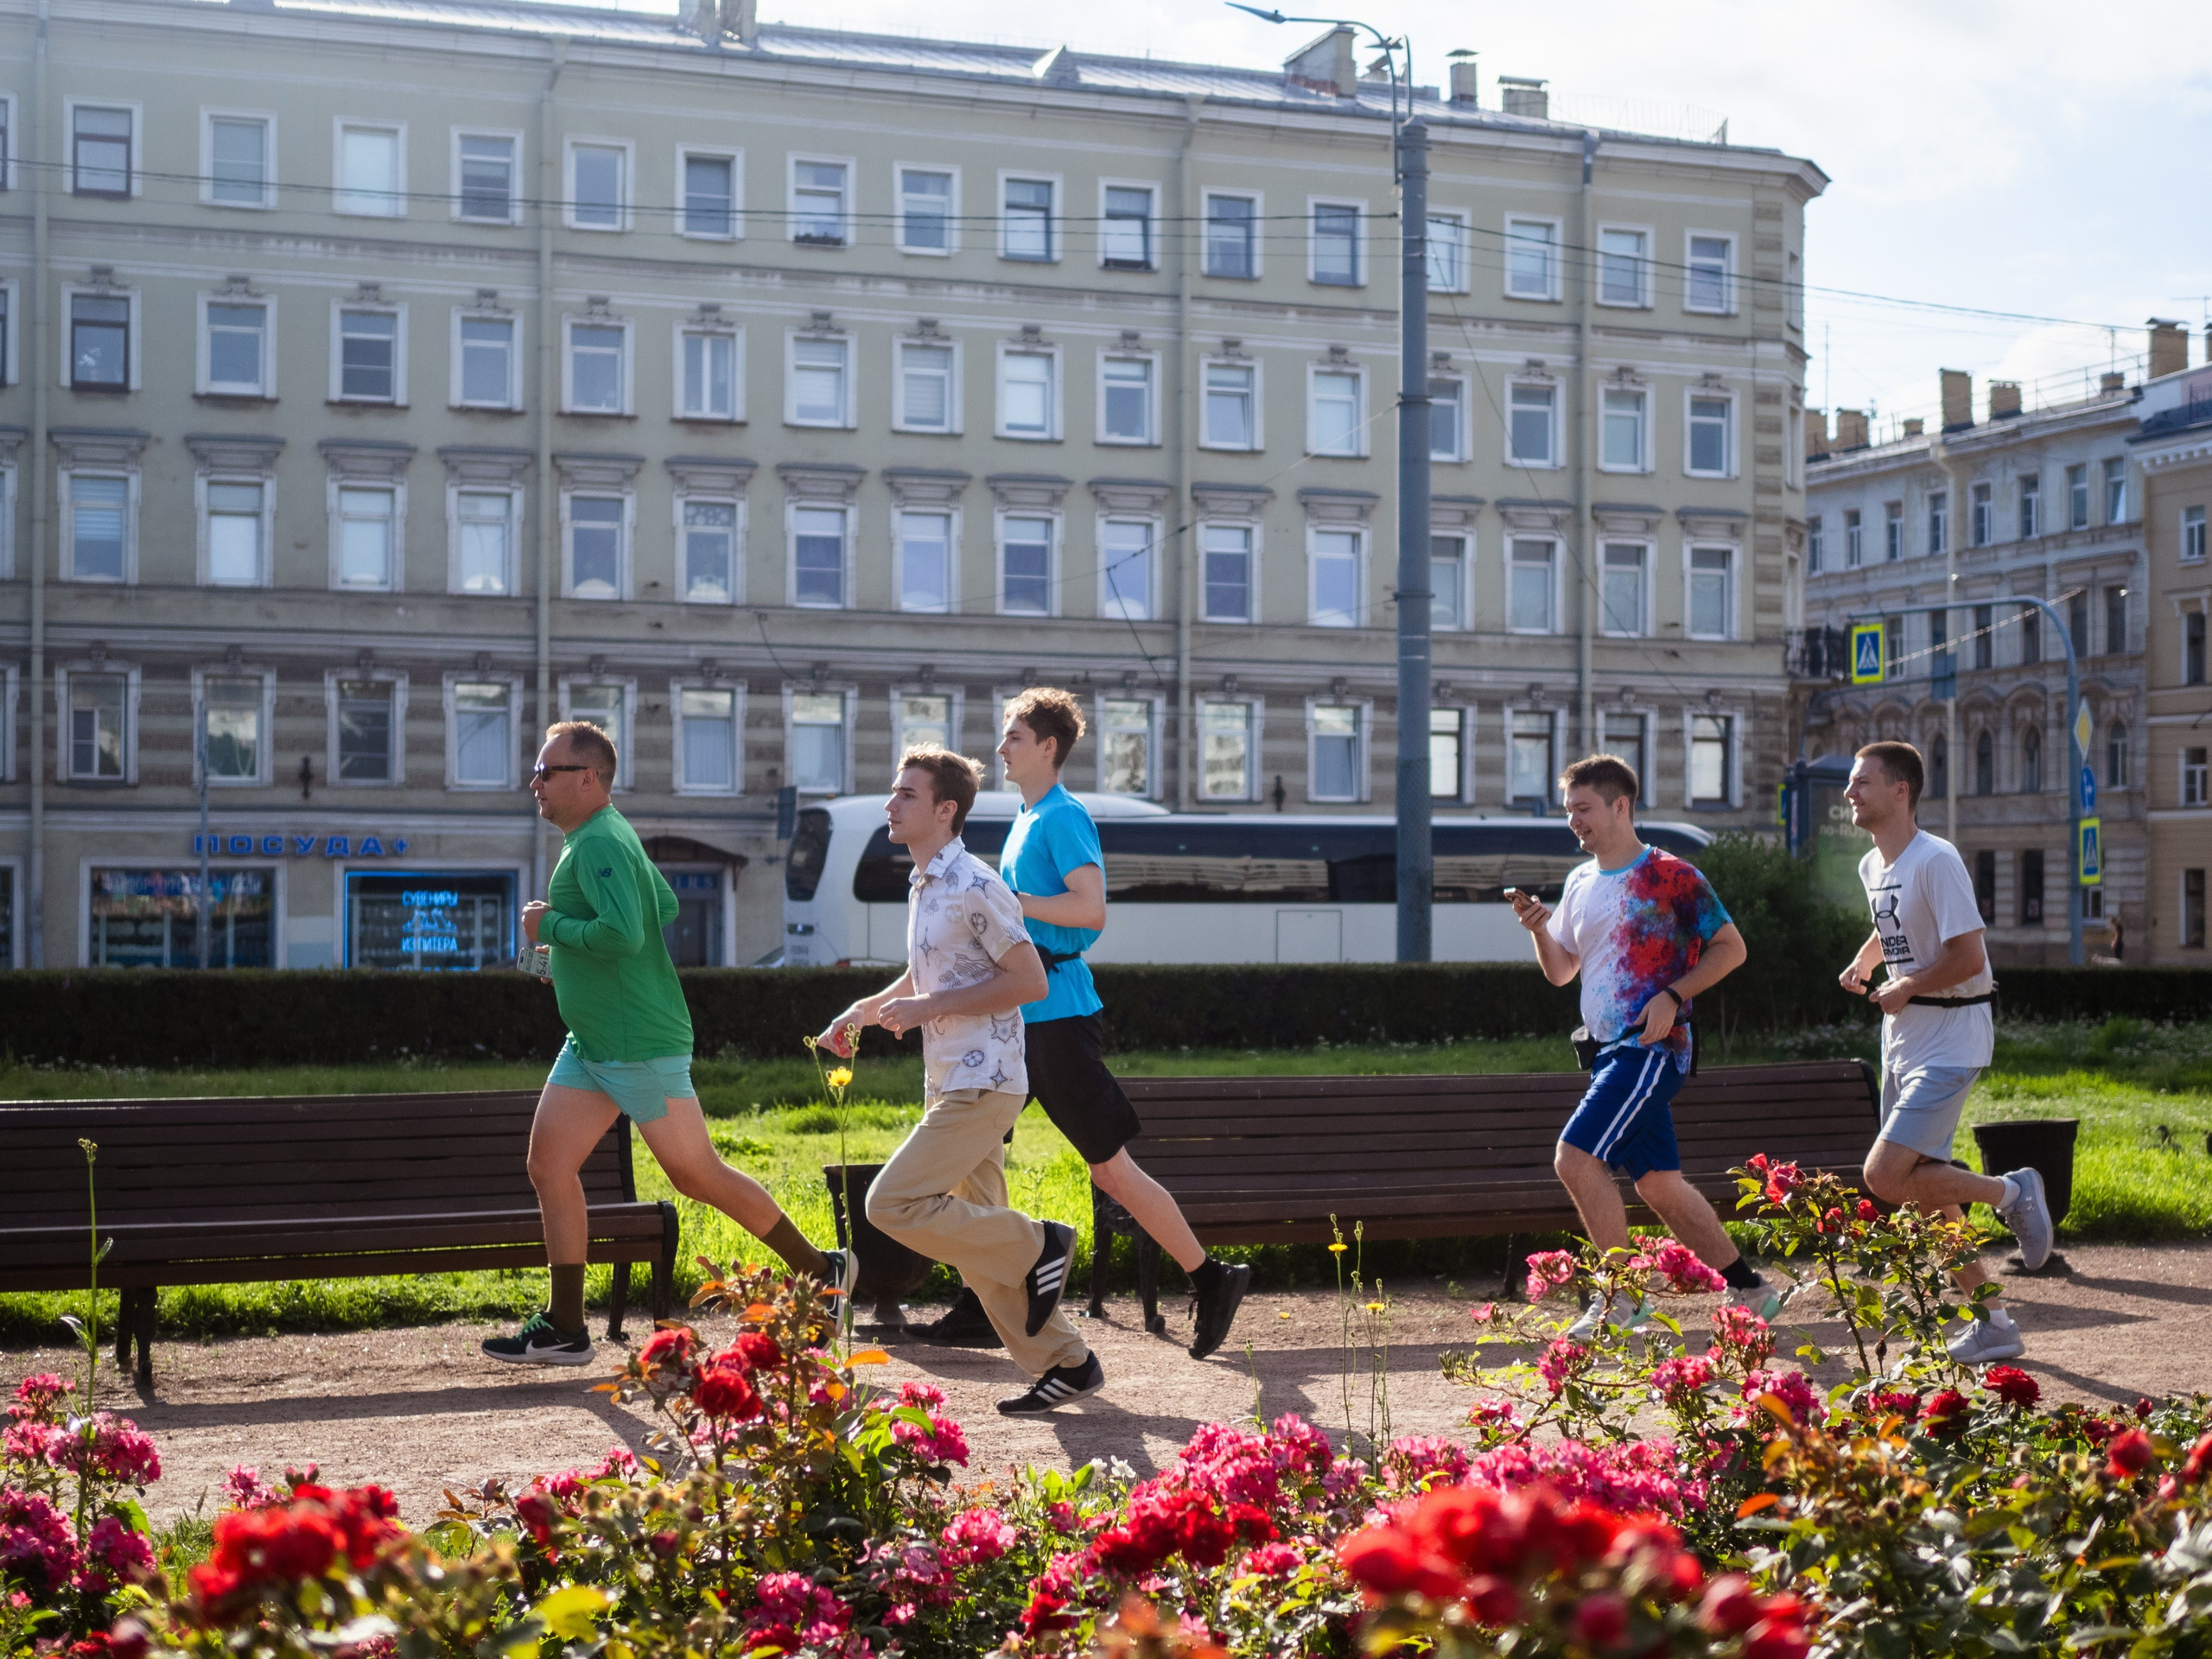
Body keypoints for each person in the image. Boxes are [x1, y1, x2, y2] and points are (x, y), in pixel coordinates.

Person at [484, 720, 851, 1365]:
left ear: (588, 778)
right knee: (549, 1166)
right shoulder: (605, 836)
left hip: (636, 1043)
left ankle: (822, 1271)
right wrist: (565, 962)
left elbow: (625, 934)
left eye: (547, 772)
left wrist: (552, 925)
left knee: (695, 1174)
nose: (534, 783)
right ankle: (566, 1325)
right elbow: (663, 908)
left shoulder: (598, 841)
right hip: (594, 1042)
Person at [911, 689, 1250, 1360]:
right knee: (975, 1158)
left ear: (1047, 748)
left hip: (1057, 1019)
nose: (1002, 747)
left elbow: (1091, 912)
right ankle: (985, 1301)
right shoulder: (1026, 818)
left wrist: (1012, 898)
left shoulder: (1061, 818)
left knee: (1109, 1170)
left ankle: (1211, 1278)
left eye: (1013, 737)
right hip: (1017, 1016)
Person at [818, 747, 1104, 1415]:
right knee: (976, 1248)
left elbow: (1028, 980)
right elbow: (928, 979)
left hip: (987, 1081)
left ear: (946, 810)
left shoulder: (976, 884)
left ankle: (1042, 1242)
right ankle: (1068, 1361)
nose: (892, 804)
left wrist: (927, 1009)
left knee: (890, 1204)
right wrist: (862, 1012)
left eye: (906, 795)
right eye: (894, 792)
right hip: (950, 1079)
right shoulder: (927, 885)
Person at [1510, 753, 1773, 1338]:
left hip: (1652, 1050)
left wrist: (1674, 995)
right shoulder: (1580, 881)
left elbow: (1732, 948)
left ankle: (1620, 1301)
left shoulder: (1672, 875)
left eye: (1583, 809)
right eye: (1569, 811)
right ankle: (1753, 1289)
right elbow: (1563, 972)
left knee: (1575, 1158)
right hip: (1609, 1052)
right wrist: (1538, 931)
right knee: (1659, 1185)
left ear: (1620, 805)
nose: (1573, 821)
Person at [1837, 741, 2052, 1364]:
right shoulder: (1873, 866)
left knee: (1885, 1178)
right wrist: (1867, 960)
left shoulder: (1937, 858)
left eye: (1862, 783)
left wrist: (1905, 984)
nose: (1850, 793)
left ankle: (2013, 1193)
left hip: (1952, 1037)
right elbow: (1894, 924)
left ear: (1900, 789)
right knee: (1930, 1197)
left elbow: (1968, 956)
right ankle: (1995, 1323)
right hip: (1903, 1041)